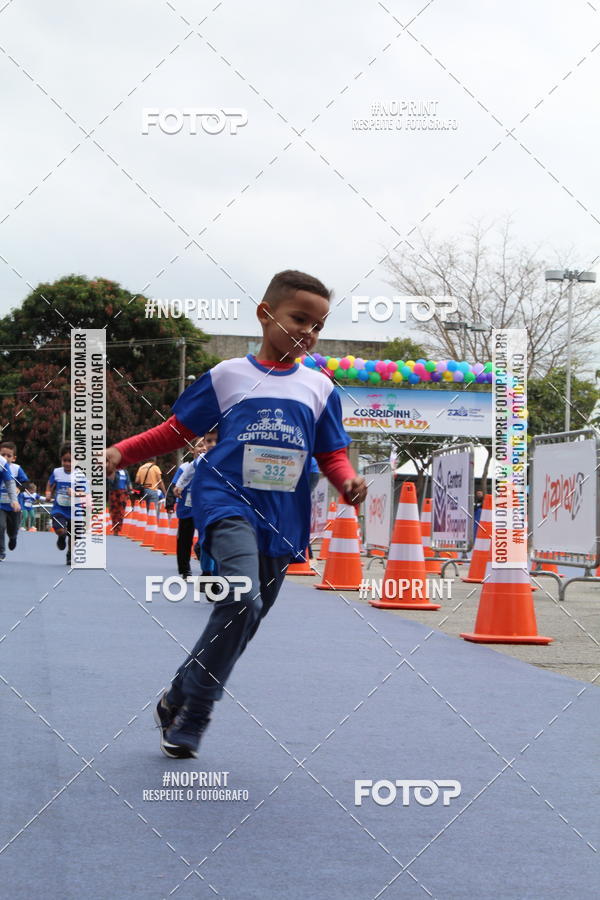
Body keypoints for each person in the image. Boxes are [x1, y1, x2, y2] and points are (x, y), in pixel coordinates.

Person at [106, 269, 367, 759]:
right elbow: (176, 431)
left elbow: (331, 454)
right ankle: (196, 716)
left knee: (243, 619)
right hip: (225, 503)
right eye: (299, 319)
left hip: (283, 519)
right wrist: (124, 450)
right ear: (265, 315)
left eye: (318, 325)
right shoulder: (227, 376)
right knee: (240, 600)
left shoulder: (319, 388)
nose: (308, 332)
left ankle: (179, 692)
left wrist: (347, 481)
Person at [174, 429, 219, 579]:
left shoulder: (229, 456)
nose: (212, 445)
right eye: (208, 441)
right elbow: (188, 472)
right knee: (203, 540)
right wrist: (179, 485)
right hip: (199, 506)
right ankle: (206, 572)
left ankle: (216, 575)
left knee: (214, 540)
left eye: (216, 441)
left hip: (219, 507)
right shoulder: (200, 460)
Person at [45, 442, 85, 566]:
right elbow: (50, 484)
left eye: (70, 461)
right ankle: (61, 537)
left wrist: (74, 493)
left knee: (75, 536)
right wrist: (48, 493)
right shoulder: (57, 472)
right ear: (61, 460)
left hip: (75, 510)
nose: (67, 463)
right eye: (65, 460)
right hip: (59, 508)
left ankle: (69, 554)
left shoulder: (80, 475)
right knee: (60, 529)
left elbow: (83, 493)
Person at [172, 438, 205, 579]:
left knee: (207, 538)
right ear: (191, 450)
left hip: (205, 509)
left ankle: (207, 569)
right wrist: (169, 502)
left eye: (206, 444)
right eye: (199, 446)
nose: (203, 448)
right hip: (187, 508)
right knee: (185, 540)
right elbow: (175, 486)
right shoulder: (184, 467)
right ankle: (185, 570)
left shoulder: (212, 464)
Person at [0, 440, 29, 554]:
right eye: (3, 455)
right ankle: (1, 551)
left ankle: (13, 537)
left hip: (14, 506)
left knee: (12, 529)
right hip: (1, 504)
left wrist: (19, 488)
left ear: (14, 458)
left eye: (9, 455)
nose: (6, 457)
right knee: (0, 526)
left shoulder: (16, 469)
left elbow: (26, 483)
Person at [134, 457, 166, 524]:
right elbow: (160, 481)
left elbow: (136, 480)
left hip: (143, 492)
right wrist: (165, 493)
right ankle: (153, 527)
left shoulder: (141, 468)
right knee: (153, 511)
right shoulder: (155, 467)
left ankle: (145, 526)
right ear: (155, 460)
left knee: (144, 510)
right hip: (152, 491)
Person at [0, 454, 19, 561]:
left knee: (1, 526)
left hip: (6, 503)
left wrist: (14, 500)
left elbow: (9, 482)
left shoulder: (2, 462)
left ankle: (1, 551)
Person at [107, 466, 131, 535]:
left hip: (123, 493)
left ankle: (120, 528)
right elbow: (109, 481)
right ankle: (115, 529)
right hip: (114, 492)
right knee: (114, 511)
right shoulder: (112, 470)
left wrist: (130, 490)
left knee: (121, 511)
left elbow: (128, 482)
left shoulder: (125, 471)